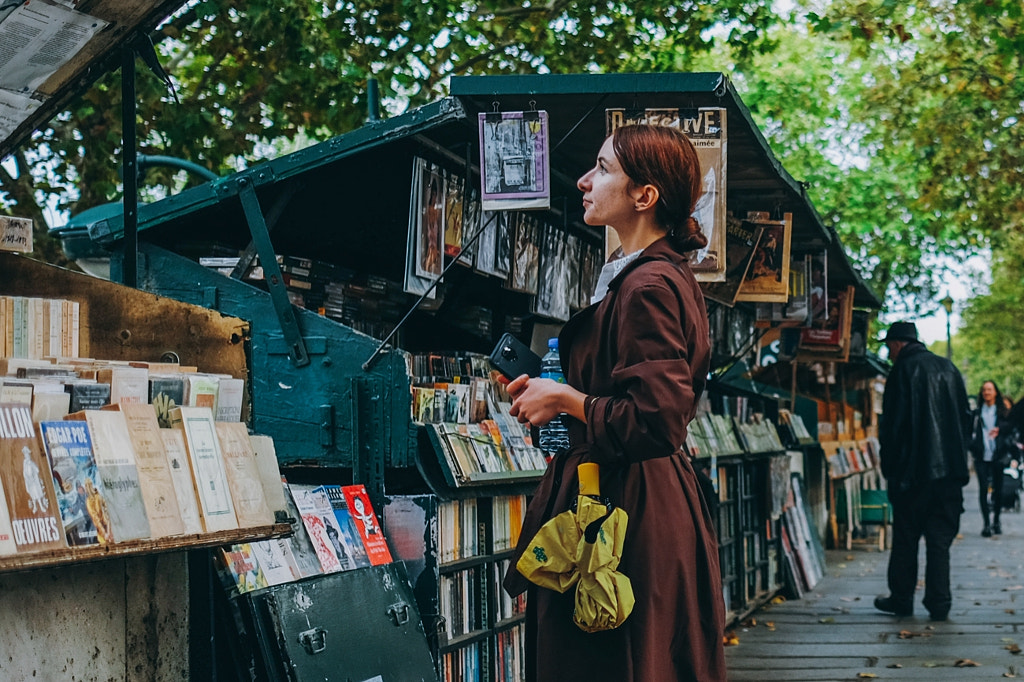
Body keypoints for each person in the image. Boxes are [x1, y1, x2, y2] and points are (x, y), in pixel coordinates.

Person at [503, 124, 726, 681]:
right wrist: (554, 397)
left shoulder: (647, 286)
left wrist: (567, 397)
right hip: (632, 499)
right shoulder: (649, 276)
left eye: (602, 169)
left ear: (644, 196)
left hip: (628, 511)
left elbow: (657, 420)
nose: (583, 180)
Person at [874, 321, 970, 622]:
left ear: (899, 343)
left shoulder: (901, 371)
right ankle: (939, 603)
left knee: (906, 540)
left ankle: (902, 599)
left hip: (912, 476)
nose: (888, 353)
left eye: (889, 346)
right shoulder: (949, 368)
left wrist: (891, 470)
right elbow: (966, 421)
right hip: (948, 475)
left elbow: (893, 427)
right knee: (939, 542)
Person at [970, 380, 1013, 536]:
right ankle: (986, 524)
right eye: (984, 390)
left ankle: (996, 521)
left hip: (998, 455)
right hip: (981, 455)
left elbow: (1010, 427)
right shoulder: (977, 413)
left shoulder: (1002, 412)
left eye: (989, 389)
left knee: (998, 490)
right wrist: (973, 446)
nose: (986, 392)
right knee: (982, 489)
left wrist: (999, 430)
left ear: (995, 392)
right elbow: (969, 431)